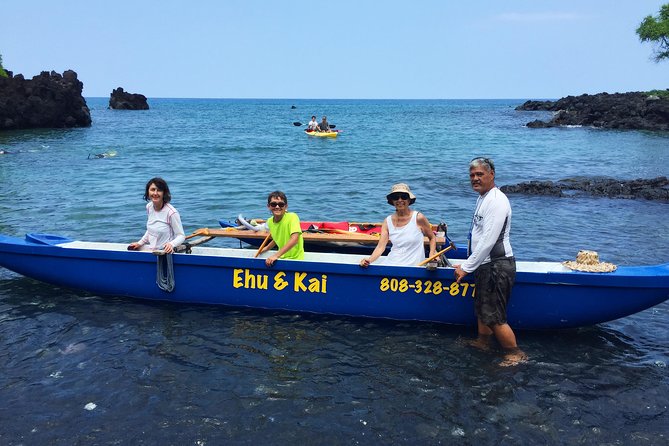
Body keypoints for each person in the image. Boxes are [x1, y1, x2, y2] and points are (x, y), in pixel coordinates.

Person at [453, 157, 526, 367]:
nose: (475, 179)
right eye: (472, 175)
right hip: (485, 265)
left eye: (480, 175)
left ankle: (516, 354)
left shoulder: (496, 200)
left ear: (491, 174)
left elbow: (488, 241)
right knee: (483, 309)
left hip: (496, 265)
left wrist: (466, 267)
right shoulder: (483, 197)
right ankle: (483, 342)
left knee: (494, 315)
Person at [360, 183, 436, 267]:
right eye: (396, 197)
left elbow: (432, 238)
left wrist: (432, 255)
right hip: (392, 265)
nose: (400, 200)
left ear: (409, 200)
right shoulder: (387, 221)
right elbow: (380, 247)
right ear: (392, 201)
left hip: (414, 267)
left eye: (403, 197)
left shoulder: (418, 218)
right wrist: (369, 260)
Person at [128, 177, 185, 254]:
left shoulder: (171, 212)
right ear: (148, 192)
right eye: (152, 190)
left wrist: (171, 244)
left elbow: (181, 236)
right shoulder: (149, 207)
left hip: (166, 253)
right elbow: (151, 230)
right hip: (153, 251)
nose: (155, 193)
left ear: (164, 193)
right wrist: (140, 243)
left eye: (159, 190)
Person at [259, 191, 305, 267]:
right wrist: (267, 248)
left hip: (296, 261)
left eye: (281, 204)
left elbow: (294, 239)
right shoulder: (270, 221)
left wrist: (276, 255)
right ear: (268, 206)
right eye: (273, 204)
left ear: (286, 206)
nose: (277, 207)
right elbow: (277, 237)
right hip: (281, 258)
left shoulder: (292, 217)